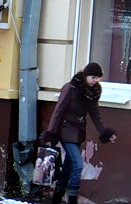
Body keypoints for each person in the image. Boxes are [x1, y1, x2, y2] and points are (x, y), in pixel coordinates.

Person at [41, 62, 116, 204]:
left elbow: (95, 114)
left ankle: (56, 200)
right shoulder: (71, 88)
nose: (96, 81)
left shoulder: (93, 93)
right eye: (93, 77)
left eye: (98, 78)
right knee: (78, 165)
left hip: (78, 132)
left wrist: (105, 132)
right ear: (86, 75)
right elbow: (58, 111)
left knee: (68, 167)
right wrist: (51, 132)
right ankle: (72, 200)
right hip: (65, 130)